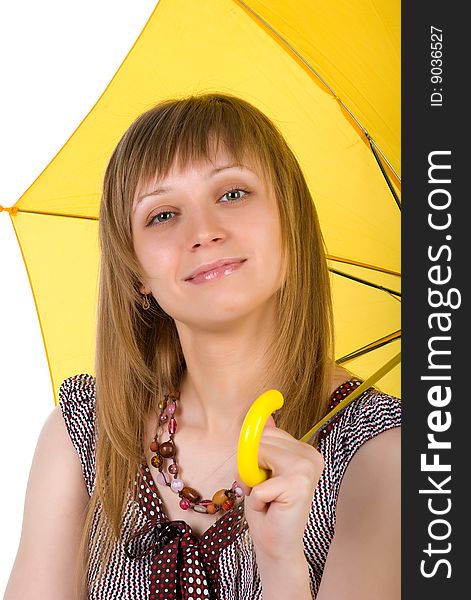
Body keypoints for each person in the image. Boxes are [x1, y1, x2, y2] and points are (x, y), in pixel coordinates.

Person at [4, 93, 401, 600]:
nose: (204, 232)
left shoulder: (382, 456)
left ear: (290, 224)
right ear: (136, 273)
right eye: (163, 215)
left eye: (233, 193)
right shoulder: (87, 434)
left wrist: (281, 564)